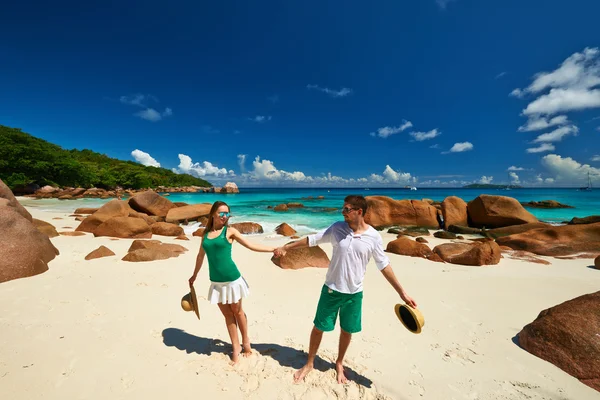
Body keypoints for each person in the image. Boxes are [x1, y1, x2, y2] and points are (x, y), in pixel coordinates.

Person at [274, 195, 418, 384]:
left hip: (354, 294)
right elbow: (312, 240)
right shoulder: (337, 229)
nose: (343, 213)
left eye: (347, 210)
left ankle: (339, 363)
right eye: (343, 209)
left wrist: (402, 292)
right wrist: (287, 246)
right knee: (319, 327)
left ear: (359, 212)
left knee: (346, 330)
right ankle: (309, 363)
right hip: (332, 290)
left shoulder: (373, 237)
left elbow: (384, 265)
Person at [189, 201, 276, 365]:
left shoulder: (229, 231)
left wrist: (272, 249)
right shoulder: (205, 234)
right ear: (213, 214)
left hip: (232, 280)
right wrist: (194, 275)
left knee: (238, 312)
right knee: (227, 315)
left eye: (227, 214)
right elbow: (200, 256)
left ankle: (246, 342)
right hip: (216, 282)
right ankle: (236, 347)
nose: (224, 216)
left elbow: (251, 245)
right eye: (222, 213)